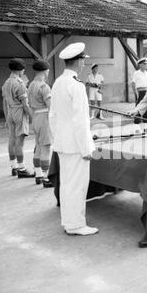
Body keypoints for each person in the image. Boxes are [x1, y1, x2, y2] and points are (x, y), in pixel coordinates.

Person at [49, 42, 98, 236]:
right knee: (77, 186)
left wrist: (58, 138)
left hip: (62, 143)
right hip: (77, 146)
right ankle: (76, 225)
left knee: (67, 184)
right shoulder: (76, 86)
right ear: (77, 62)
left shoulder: (58, 82)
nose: (84, 64)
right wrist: (87, 149)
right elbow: (80, 122)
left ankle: (68, 222)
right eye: (83, 61)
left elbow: (52, 116)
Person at [2, 58, 35, 178]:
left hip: (10, 111)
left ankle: (14, 167)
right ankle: (22, 168)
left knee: (11, 139)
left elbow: (4, 103)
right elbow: (25, 104)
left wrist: (6, 117)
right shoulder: (19, 83)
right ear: (20, 70)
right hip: (19, 111)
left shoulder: (6, 83)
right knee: (20, 142)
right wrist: (31, 117)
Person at [28, 59, 53, 188]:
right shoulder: (44, 86)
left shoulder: (31, 85)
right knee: (46, 148)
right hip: (44, 117)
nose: (48, 72)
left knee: (38, 146)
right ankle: (46, 177)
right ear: (44, 71)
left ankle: (38, 175)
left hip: (35, 116)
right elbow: (51, 107)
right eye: (48, 70)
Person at [131, 57, 147, 124]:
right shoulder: (137, 73)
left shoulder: (146, 72)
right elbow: (133, 83)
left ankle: (146, 119)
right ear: (140, 65)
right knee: (139, 105)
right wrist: (135, 93)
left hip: (146, 91)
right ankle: (137, 120)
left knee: (146, 105)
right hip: (140, 91)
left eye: (146, 64)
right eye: (144, 64)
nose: (146, 65)